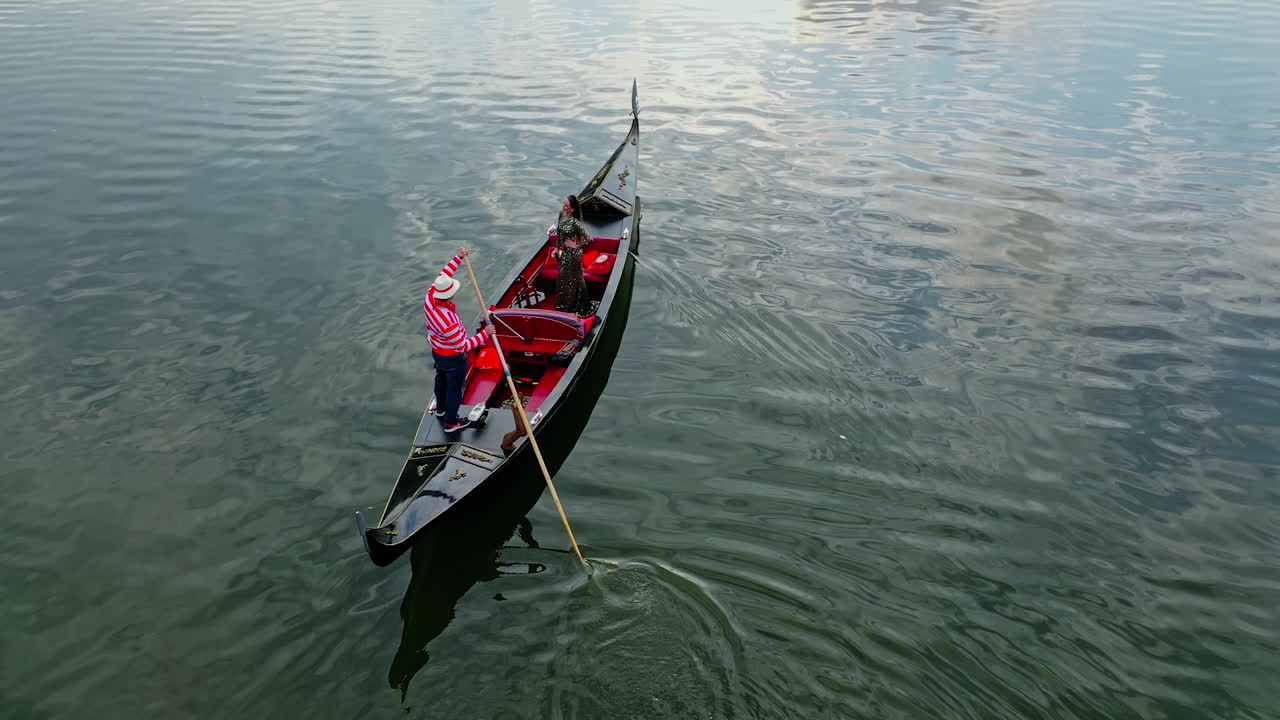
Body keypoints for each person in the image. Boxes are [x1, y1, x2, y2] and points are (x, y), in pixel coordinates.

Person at [425, 247, 495, 431]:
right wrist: (484, 334)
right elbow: (462, 346)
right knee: (454, 389)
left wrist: (458, 258)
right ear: (451, 296)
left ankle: (440, 410)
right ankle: (451, 422)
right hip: (453, 358)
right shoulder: (449, 323)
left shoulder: (430, 296)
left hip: (438, 353)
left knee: (441, 380)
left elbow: (444, 274)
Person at [554, 195, 594, 317]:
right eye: (564, 204)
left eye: (566, 205)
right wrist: (557, 248)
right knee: (562, 279)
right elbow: (559, 234)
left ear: (572, 209)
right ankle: (562, 306)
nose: (563, 206)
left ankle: (572, 307)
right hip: (565, 254)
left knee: (573, 282)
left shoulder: (576, 223)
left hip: (574, 256)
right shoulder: (561, 214)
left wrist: (576, 244)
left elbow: (590, 239)